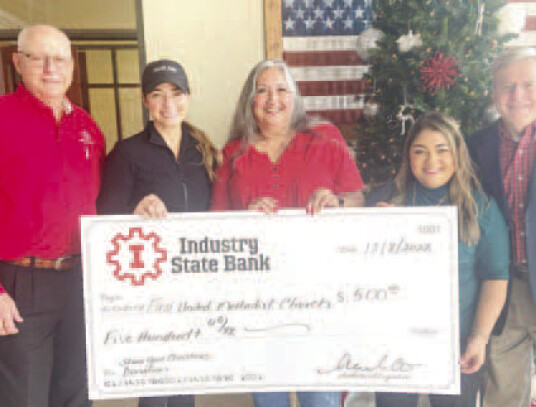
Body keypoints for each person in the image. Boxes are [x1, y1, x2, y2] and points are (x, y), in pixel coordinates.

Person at [211, 59, 364, 407]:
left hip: (321, 298)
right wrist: (244, 220)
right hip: (258, 305)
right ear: (249, 101)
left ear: (295, 97)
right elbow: (217, 225)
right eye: (261, 90)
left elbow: (358, 200)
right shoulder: (233, 154)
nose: (272, 99)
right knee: (270, 399)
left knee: (321, 398)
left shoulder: (326, 139)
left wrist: (336, 202)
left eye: (281, 89)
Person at [97, 59, 218, 407]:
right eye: (158, 95)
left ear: (189, 96)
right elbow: (104, 215)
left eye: (176, 94)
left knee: (184, 375)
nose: (168, 105)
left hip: (195, 278)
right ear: (145, 100)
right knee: (153, 380)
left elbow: (219, 211)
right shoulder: (127, 151)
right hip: (148, 282)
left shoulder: (204, 150)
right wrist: (133, 212)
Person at [369, 112, 509, 407]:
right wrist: (374, 231)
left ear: (457, 154)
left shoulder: (481, 208)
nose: (431, 160)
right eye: (420, 151)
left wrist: (479, 338)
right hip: (394, 343)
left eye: (442, 150)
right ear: (408, 157)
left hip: (457, 346)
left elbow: (495, 277)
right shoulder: (386, 200)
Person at [0, 25, 105, 407]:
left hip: (80, 279)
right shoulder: (2, 117)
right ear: (17, 62)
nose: (50, 68)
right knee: (24, 397)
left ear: (71, 66)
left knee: (77, 392)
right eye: (38, 58)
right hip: (19, 285)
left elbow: (99, 203)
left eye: (59, 58)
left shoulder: (88, 128)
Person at [467, 46, 536, 407]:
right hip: (501, 290)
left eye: (528, 84)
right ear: (493, 93)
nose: (518, 96)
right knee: (503, 394)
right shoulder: (474, 147)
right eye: (507, 86)